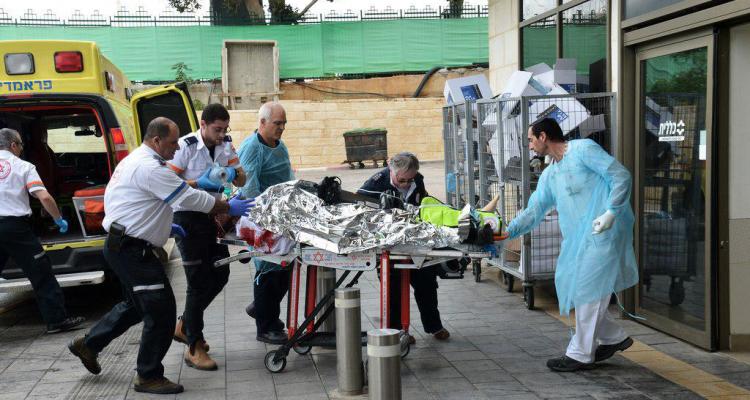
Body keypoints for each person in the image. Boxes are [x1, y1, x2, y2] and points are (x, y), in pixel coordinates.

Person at [67, 117, 253, 395]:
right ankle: (148, 375)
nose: (177, 147)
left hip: (125, 244)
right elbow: (189, 198)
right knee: (161, 310)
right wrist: (227, 207)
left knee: (136, 305)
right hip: (131, 249)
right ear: (156, 140)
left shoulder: (139, 160)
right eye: (172, 142)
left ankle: (89, 344)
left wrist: (162, 227)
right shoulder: (149, 167)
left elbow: (133, 201)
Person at [501, 118, 638, 372]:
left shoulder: (583, 149)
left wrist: (611, 212)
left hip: (604, 233)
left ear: (543, 137)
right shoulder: (550, 174)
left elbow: (620, 176)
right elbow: (534, 210)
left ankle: (580, 353)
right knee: (580, 291)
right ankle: (613, 337)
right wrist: (507, 231)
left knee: (589, 290)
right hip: (578, 241)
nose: (529, 145)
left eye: (530, 139)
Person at [166, 103, 246, 371]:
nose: (222, 135)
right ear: (203, 125)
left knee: (220, 273)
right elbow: (167, 182)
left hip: (212, 215)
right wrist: (199, 183)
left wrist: (234, 174)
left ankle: (185, 325)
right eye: (217, 129)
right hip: (187, 217)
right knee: (197, 281)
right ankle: (194, 346)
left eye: (225, 129)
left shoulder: (226, 145)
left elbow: (242, 179)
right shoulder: (185, 146)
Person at [357, 152, 450, 343]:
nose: (406, 184)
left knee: (427, 283)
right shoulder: (375, 184)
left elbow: (423, 206)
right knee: (393, 289)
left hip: (415, 242)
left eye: (410, 180)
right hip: (389, 246)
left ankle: (434, 326)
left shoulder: (418, 180)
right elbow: (358, 210)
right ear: (391, 170)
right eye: (401, 180)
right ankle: (397, 331)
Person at [0, 128, 85, 334]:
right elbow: (44, 197)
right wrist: (58, 219)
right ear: (13, 145)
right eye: (20, 145)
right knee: (41, 273)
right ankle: (56, 321)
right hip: (15, 230)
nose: (21, 149)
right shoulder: (23, 166)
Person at [238, 102, 294, 345]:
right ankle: (266, 326)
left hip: (281, 215)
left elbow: (288, 177)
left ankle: (261, 307)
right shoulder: (252, 148)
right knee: (269, 270)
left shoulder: (280, 146)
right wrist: (270, 216)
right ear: (262, 123)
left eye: (284, 124)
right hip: (260, 216)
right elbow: (249, 190)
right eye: (277, 123)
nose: (281, 128)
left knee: (286, 268)